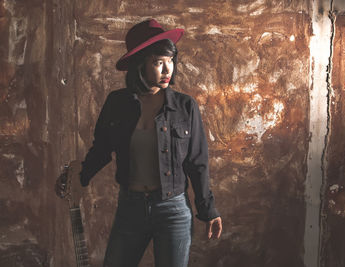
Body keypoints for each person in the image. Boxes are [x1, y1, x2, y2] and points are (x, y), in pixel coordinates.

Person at [56, 19, 222, 267]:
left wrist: (208, 211)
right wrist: (79, 177)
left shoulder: (185, 107)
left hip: (173, 210)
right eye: (158, 62)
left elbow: (197, 162)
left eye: (170, 61)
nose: (168, 70)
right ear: (139, 64)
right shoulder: (117, 104)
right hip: (130, 208)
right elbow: (101, 150)